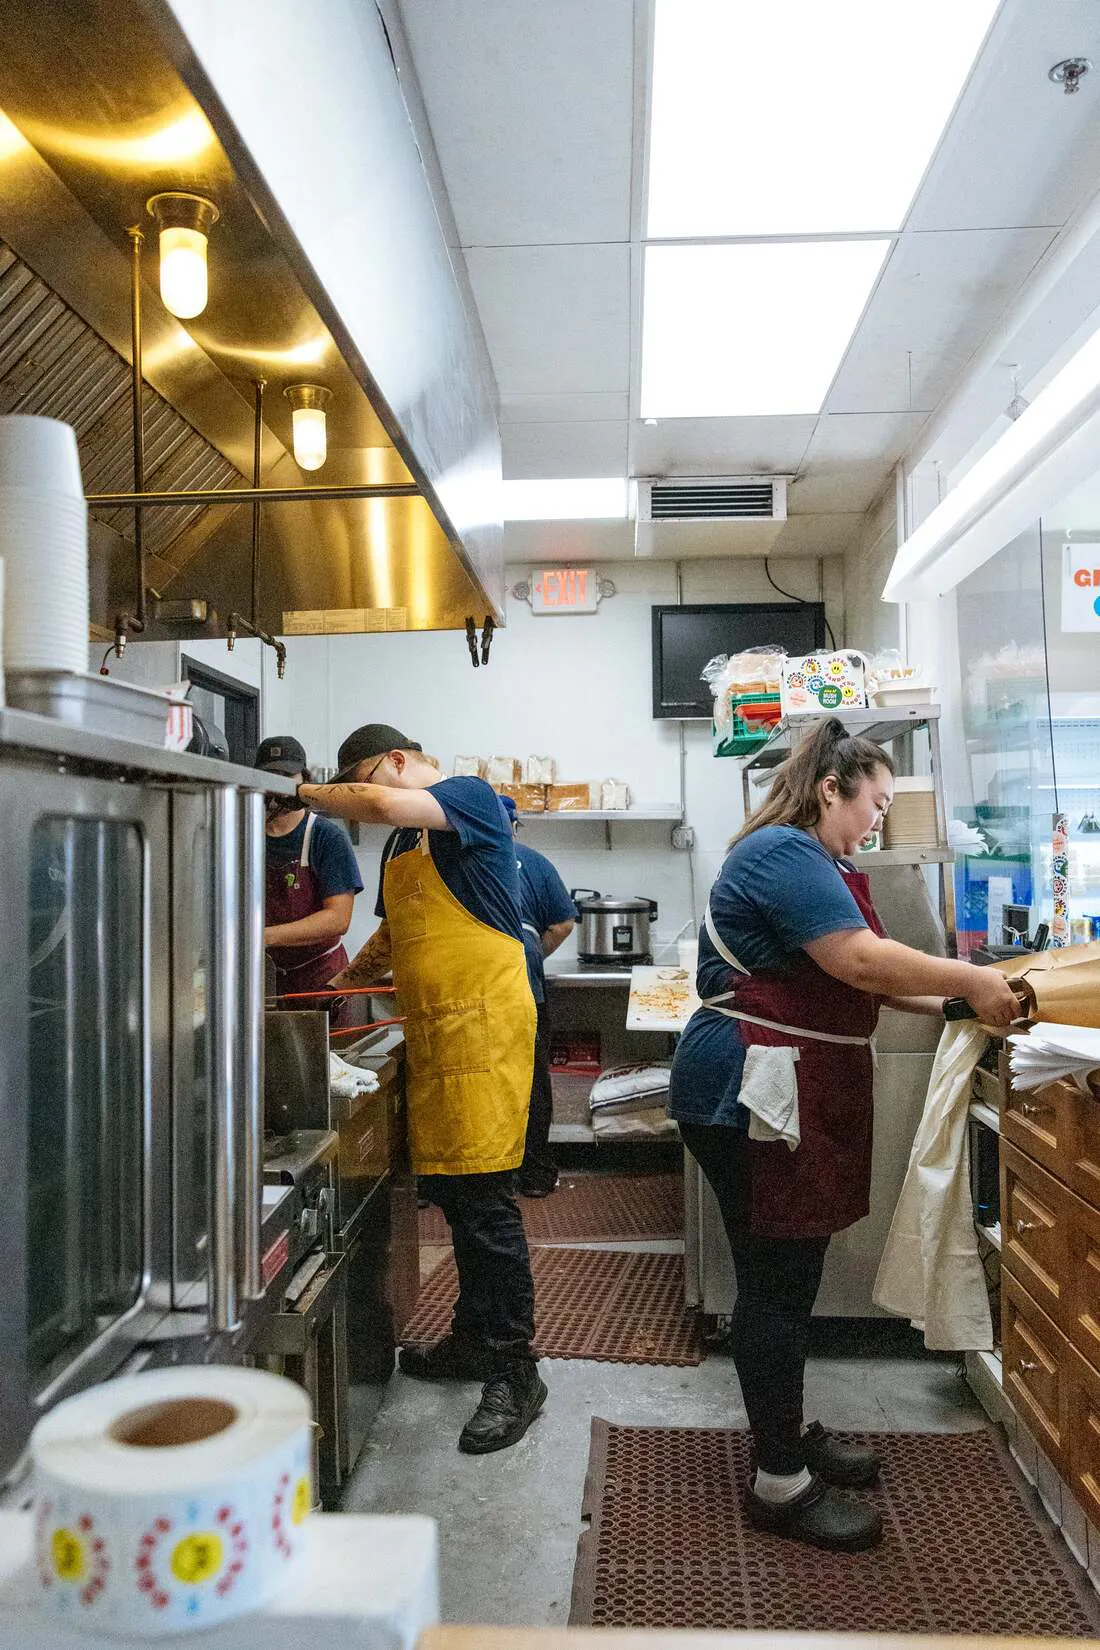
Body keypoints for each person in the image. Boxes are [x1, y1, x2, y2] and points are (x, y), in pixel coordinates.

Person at [667, 717, 1019, 1555]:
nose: (879, 821)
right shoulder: (782, 855)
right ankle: (777, 1481)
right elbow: (860, 963)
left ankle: (786, 1430)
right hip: (748, 1087)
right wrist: (976, 976)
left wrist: (956, 1005)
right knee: (776, 1282)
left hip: (783, 1083)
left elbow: (870, 975)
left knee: (793, 1274)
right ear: (832, 788)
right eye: (876, 803)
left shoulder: (822, 862)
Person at [301, 724, 546, 1455]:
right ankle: (474, 1341)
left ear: (399, 762)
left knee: (489, 1204)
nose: (361, 807)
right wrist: (339, 986)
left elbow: (375, 803)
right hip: (436, 1034)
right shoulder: (402, 846)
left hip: (486, 1027)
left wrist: (296, 792)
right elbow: (390, 933)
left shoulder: (464, 798)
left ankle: (516, 1371)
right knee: (459, 1200)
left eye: (366, 783)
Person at [256, 735, 364, 1028]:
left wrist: (264, 936)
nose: (278, 788)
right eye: (269, 777)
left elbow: (337, 919)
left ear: (304, 781)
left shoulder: (325, 837)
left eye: (286, 777)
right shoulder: (244, 834)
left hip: (319, 982)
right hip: (262, 983)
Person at [499, 795, 577, 1197]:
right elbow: (563, 922)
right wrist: (533, 955)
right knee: (531, 1079)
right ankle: (536, 1174)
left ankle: (490, 1177)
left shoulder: (460, 860)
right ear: (514, 826)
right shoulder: (532, 860)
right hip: (524, 986)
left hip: (474, 990)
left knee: (486, 1082)